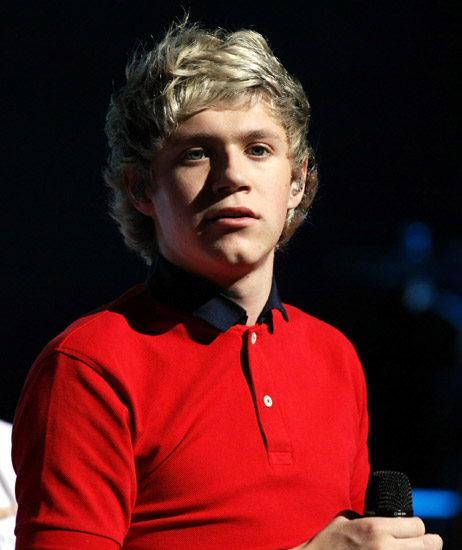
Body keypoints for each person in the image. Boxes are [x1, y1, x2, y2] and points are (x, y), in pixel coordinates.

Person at [12, 19, 443, 550]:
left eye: (258, 149)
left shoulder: (336, 357)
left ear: (297, 180)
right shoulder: (88, 367)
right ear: (141, 187)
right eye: (196, 153)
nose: (232, 176)